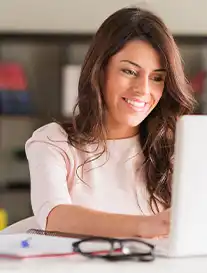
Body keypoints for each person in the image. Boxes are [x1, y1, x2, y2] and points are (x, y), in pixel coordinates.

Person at [24, 7, 196, 238]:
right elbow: (54, 217)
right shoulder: (53, 141)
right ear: (100, 70)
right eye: (129, 71)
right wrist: (145, 225)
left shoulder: (176, 148)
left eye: (157, 78)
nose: (143, 90)